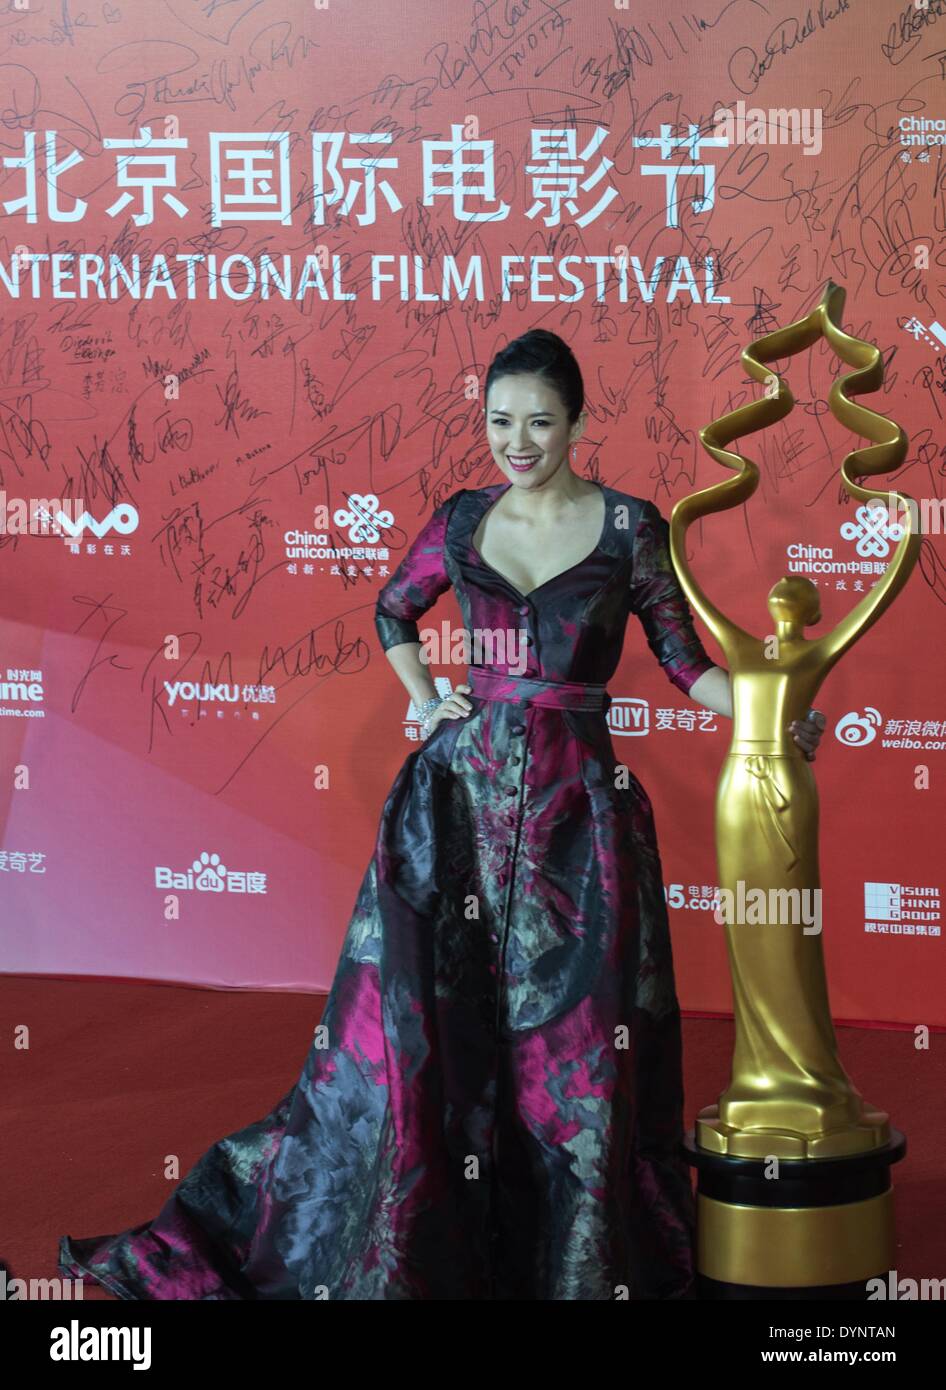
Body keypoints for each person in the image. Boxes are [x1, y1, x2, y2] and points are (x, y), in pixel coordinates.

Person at [57, 328, 825, 1300]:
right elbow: (392, 609)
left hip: (576, 818)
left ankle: (575, 1259)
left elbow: (688, 665)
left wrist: (768, 714)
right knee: (438, 1034)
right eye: (501, 420)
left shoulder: (633, 527)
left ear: (579, 424)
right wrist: (425, 697)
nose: (518, 439)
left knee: (576, 1048)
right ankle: (436, 1237)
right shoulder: (462, 522)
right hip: (455, 805)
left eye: (540, 421)